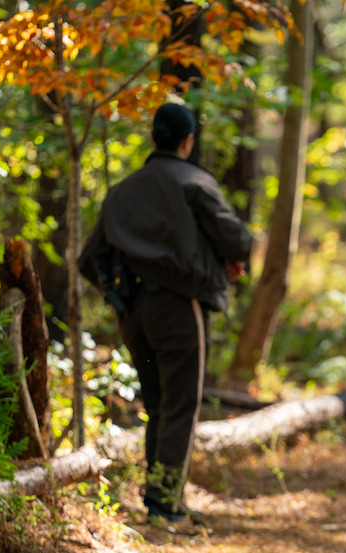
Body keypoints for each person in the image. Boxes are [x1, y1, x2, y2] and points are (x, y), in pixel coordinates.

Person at [78, 102, 252, 522]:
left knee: (157, 400)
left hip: (132, 314)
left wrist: (119, 296)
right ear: (188, 141)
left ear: (154, 136)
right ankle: (165, 503)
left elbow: (88, 260)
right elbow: (238, 241)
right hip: (178, 307)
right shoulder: (194, 182)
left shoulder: (122, 191)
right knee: (180, 402)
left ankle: (156, 495)